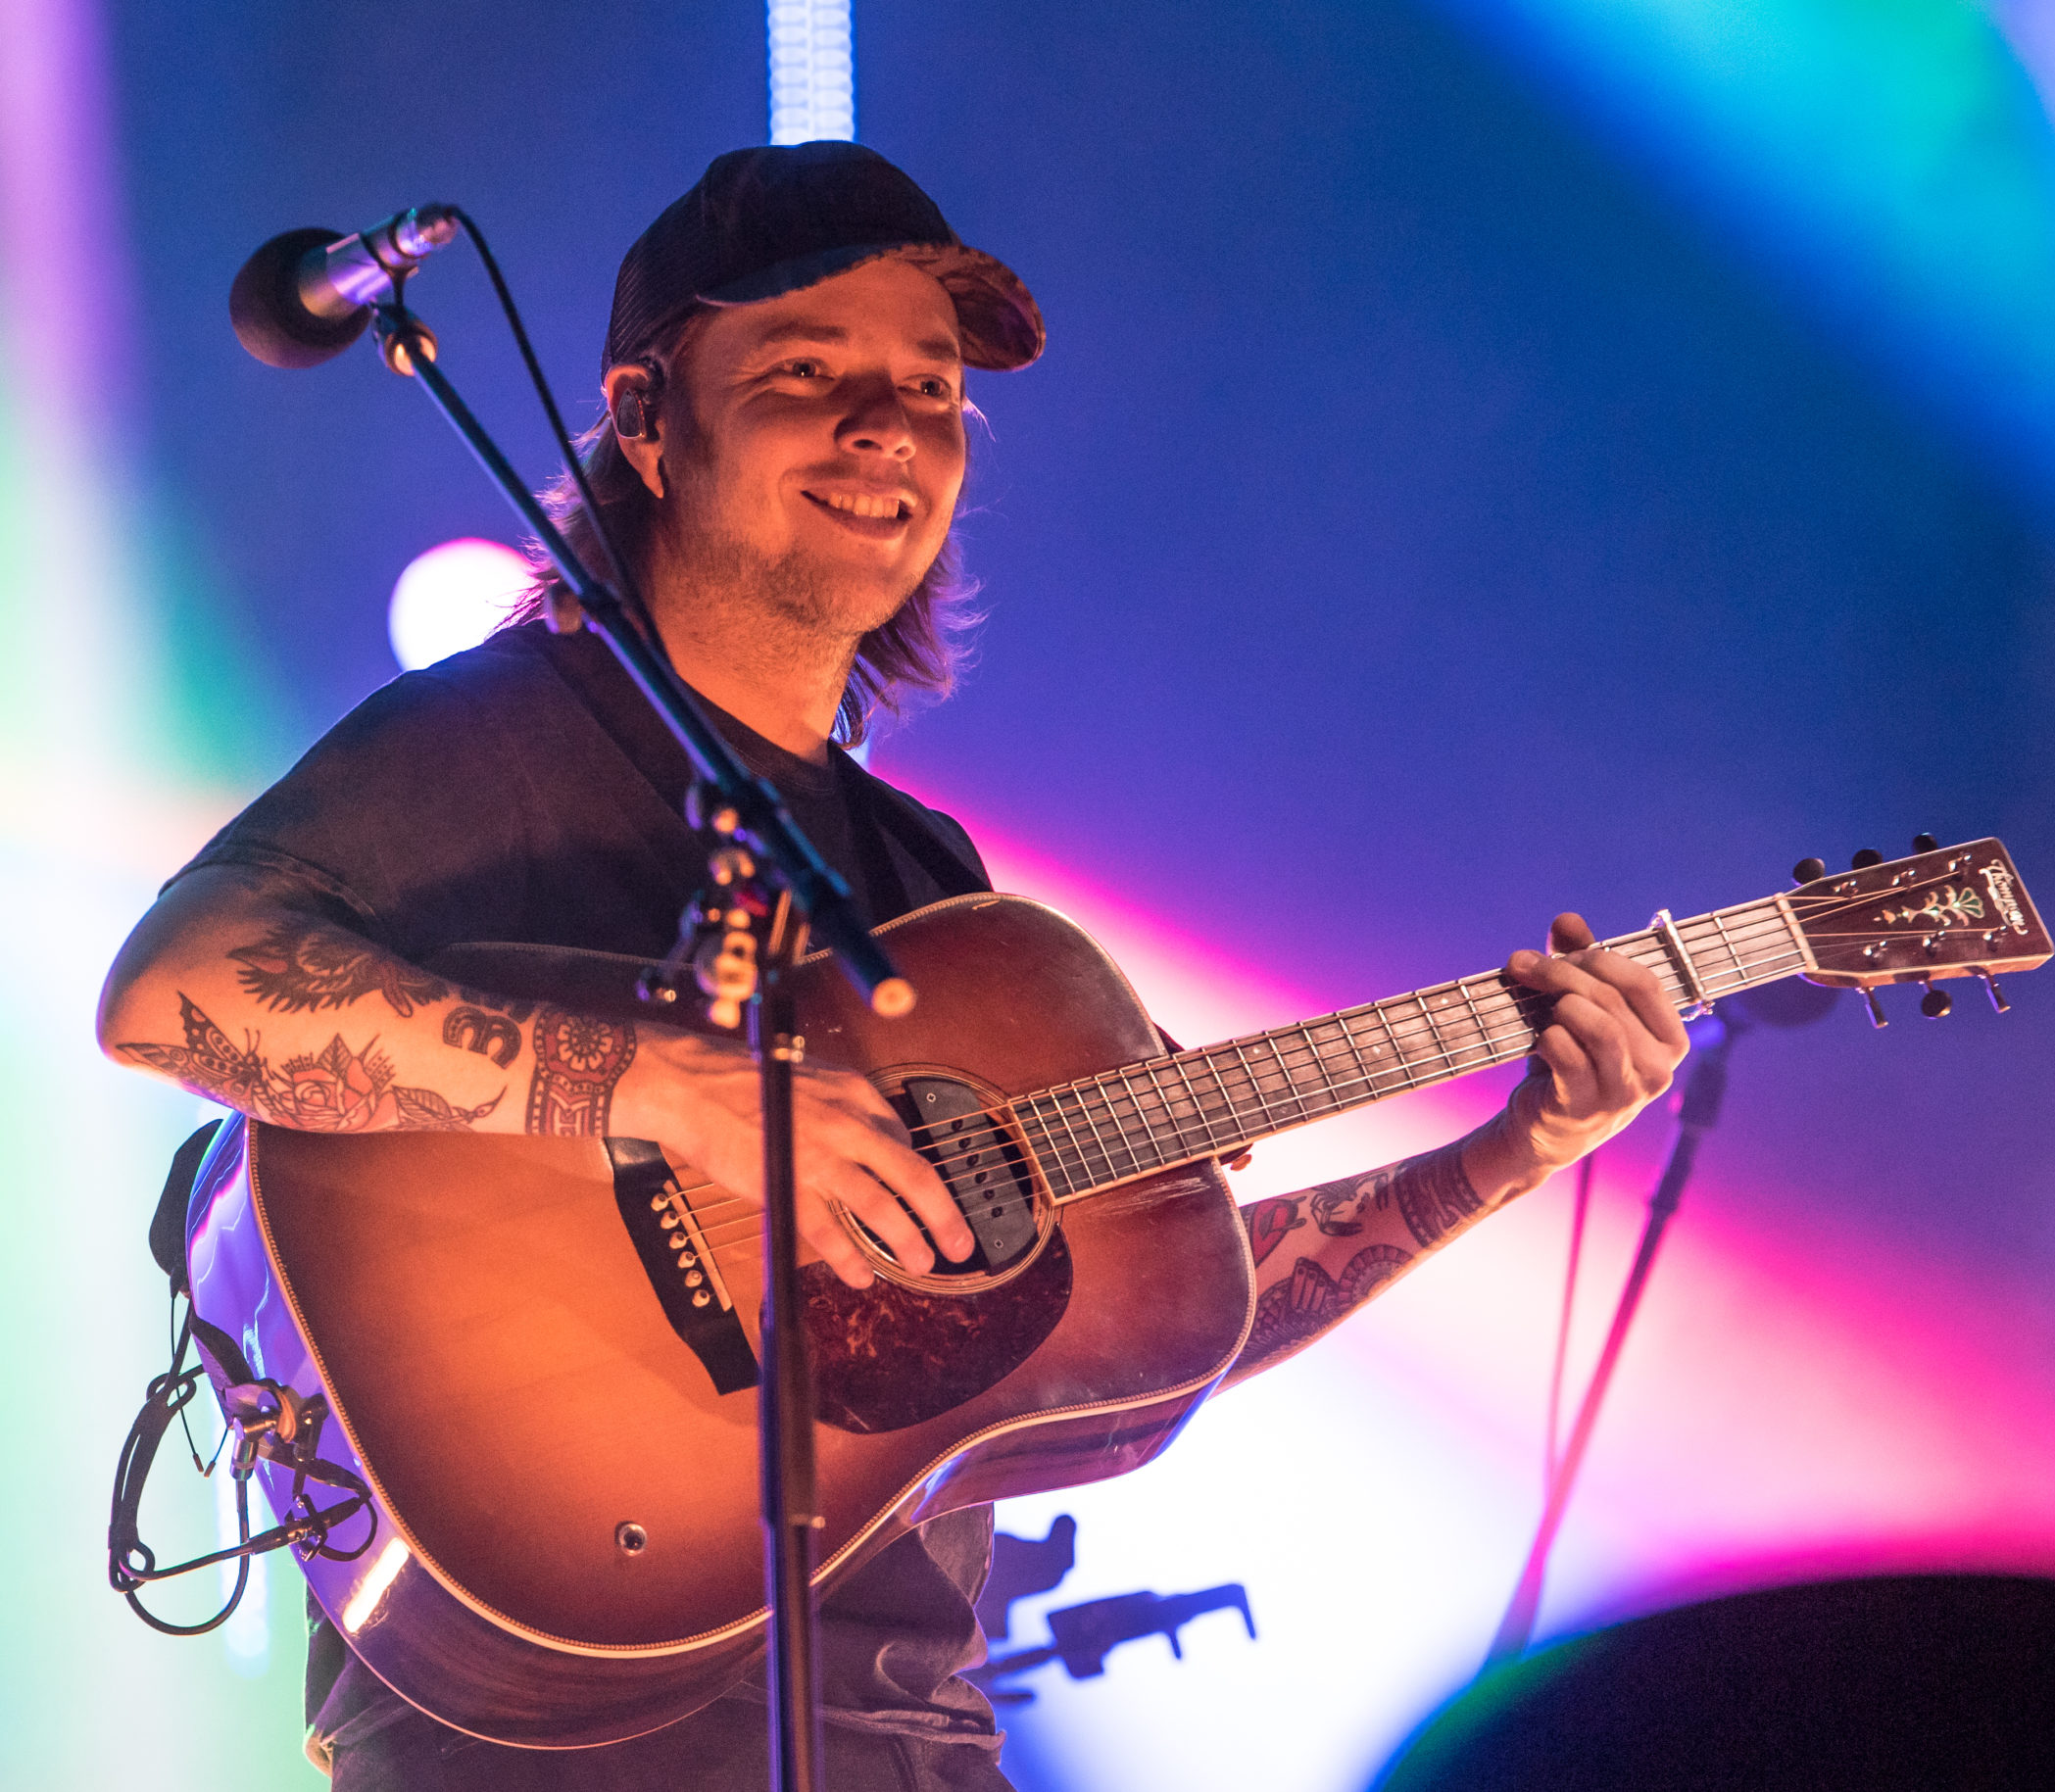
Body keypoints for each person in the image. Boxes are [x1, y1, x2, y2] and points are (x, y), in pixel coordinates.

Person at [95, 142, 1687, 1790]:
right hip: (537, 1733)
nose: (888, 427)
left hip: (896, 1735)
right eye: (806, 372)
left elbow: (1112, 1325)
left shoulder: (929, 887)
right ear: (648, 421)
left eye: (931, 390)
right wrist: (672, 1093)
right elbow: (167, 991)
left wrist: (1512, 1152)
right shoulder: (508, 737)